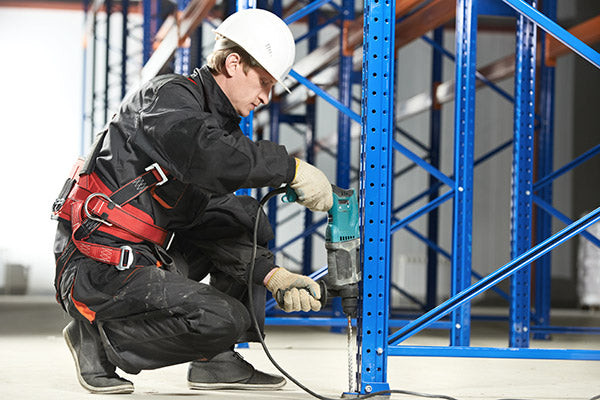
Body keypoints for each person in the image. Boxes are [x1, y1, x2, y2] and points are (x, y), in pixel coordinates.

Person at [52, 8, 333, 394]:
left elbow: (214, 215)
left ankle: (216, 363)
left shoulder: (212, 121)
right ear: (233, 63)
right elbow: (207, 153)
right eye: (264, 82)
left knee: (244, 217)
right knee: (222, 318)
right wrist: (291, 168)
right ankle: (96, 343)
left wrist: (272, 276)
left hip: (144, 253)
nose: (266, 97)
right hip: (98, 263)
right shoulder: (168, 98)